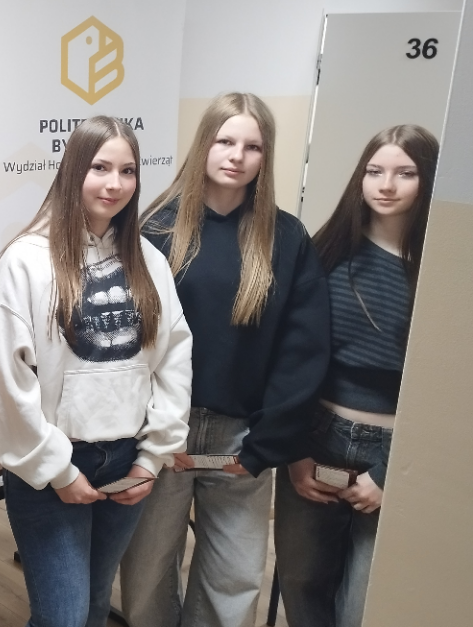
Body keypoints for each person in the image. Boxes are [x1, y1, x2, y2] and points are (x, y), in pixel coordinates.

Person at [0, 116, 193, 627]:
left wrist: (152, 458)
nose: (115, 184)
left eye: (128, 171)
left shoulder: (148, 261)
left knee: (92, 606)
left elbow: (174, 361)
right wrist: (58, 470)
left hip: (127, 461)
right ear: (73, 171)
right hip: (53, 467)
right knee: (62, 617)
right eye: (100, 168)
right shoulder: (25, 262)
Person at [119, 93, 330, 627]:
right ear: (204, 145)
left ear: (266, 156)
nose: (237, 156)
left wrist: (265, 444)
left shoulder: (287, 238)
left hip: (241, 438)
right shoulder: (156, 230)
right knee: (146, 573)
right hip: (163, 431)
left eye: (252, 146)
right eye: (225, 141)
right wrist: (151, 435)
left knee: (234, 579)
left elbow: (302, 351)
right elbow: (130, 343)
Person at [273, 125, 438, 627]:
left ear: (427, 179)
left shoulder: (442, 270)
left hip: (396, 449)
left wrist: (387, 474)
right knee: (301, 583)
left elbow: (442, 390)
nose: (386, 185)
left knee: (362, 604)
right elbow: (291, 361)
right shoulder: (324, 253)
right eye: (374, 171)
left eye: (405, 173)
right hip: (317, 437)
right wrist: (295, 453)